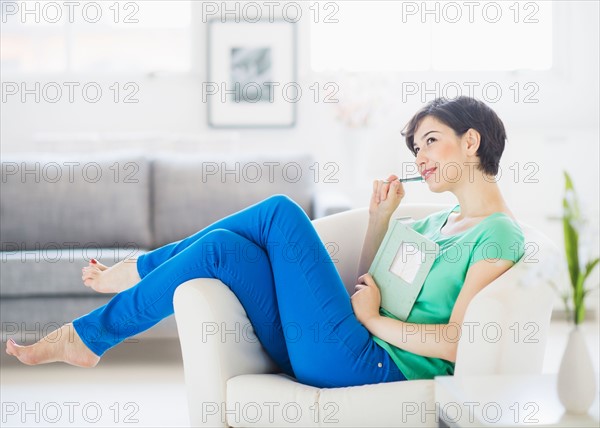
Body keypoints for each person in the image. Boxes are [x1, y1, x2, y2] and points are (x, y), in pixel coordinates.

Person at [5, 96, 524, 388]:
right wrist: (380, 220)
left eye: (430, 142)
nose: (420, 157)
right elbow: (370, 282)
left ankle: (137, 271)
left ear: (471, 141)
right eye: (416, 148)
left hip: (372, 365)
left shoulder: (496, 232)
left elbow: (460, 341)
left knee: (279, 212)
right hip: (338, 342)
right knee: (223, 251)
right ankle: (90, 338)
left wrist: (372, 321)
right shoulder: (438, 221)